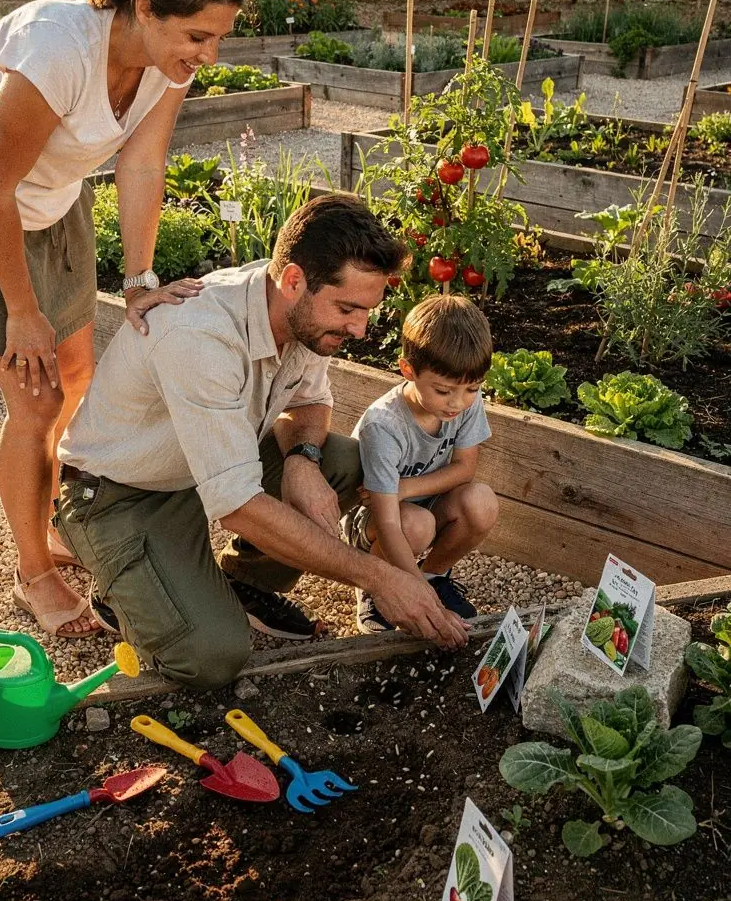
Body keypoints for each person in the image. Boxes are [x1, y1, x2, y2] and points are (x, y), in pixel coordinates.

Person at [0, 0, 243, 637]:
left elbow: (141, 164)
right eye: (197, 35)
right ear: (146, 7)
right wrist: (21, 312)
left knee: (77, 371)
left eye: (219, 37)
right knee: (35, 398)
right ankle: (32, 572)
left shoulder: (168, 64)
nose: (207, 54)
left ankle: (57, 523)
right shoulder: (57, 47)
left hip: (52, 201)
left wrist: (139, 280)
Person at [54, 195, 470, 690]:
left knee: (339, 460)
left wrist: (302, 459)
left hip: (198, 470)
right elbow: (237, 505)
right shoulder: (199, 337)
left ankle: (242, 584)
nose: (359, 329)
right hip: (119, 495)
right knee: (211, 658)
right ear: (294, 281)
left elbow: (312, 402)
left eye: (366, 311)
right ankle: (122, 592)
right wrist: (379, 578)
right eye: (348, 309)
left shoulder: (296, 308)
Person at [343, 293, 499, 633]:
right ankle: (378, 587)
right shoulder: (384, 426)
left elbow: (465, 469)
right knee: (415, 524)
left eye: (472, 388)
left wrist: (405, 488)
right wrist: (419, 599)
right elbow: (387, 522)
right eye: (443, 391)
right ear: (408, 370)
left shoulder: (466, 398)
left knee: (481, 502)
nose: (458, 403)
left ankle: (433, 576)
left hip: (414, 500)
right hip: (372, 520)